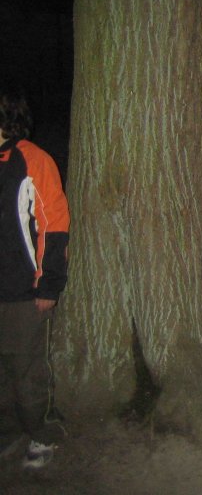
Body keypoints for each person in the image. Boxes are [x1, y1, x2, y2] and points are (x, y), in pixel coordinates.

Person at [0, 86, 69, 469]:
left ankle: (43, 434)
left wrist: (49, 284)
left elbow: (54, 225)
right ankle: (8, 431)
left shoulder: (34, 160)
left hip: (24, 290)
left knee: (27, 369)